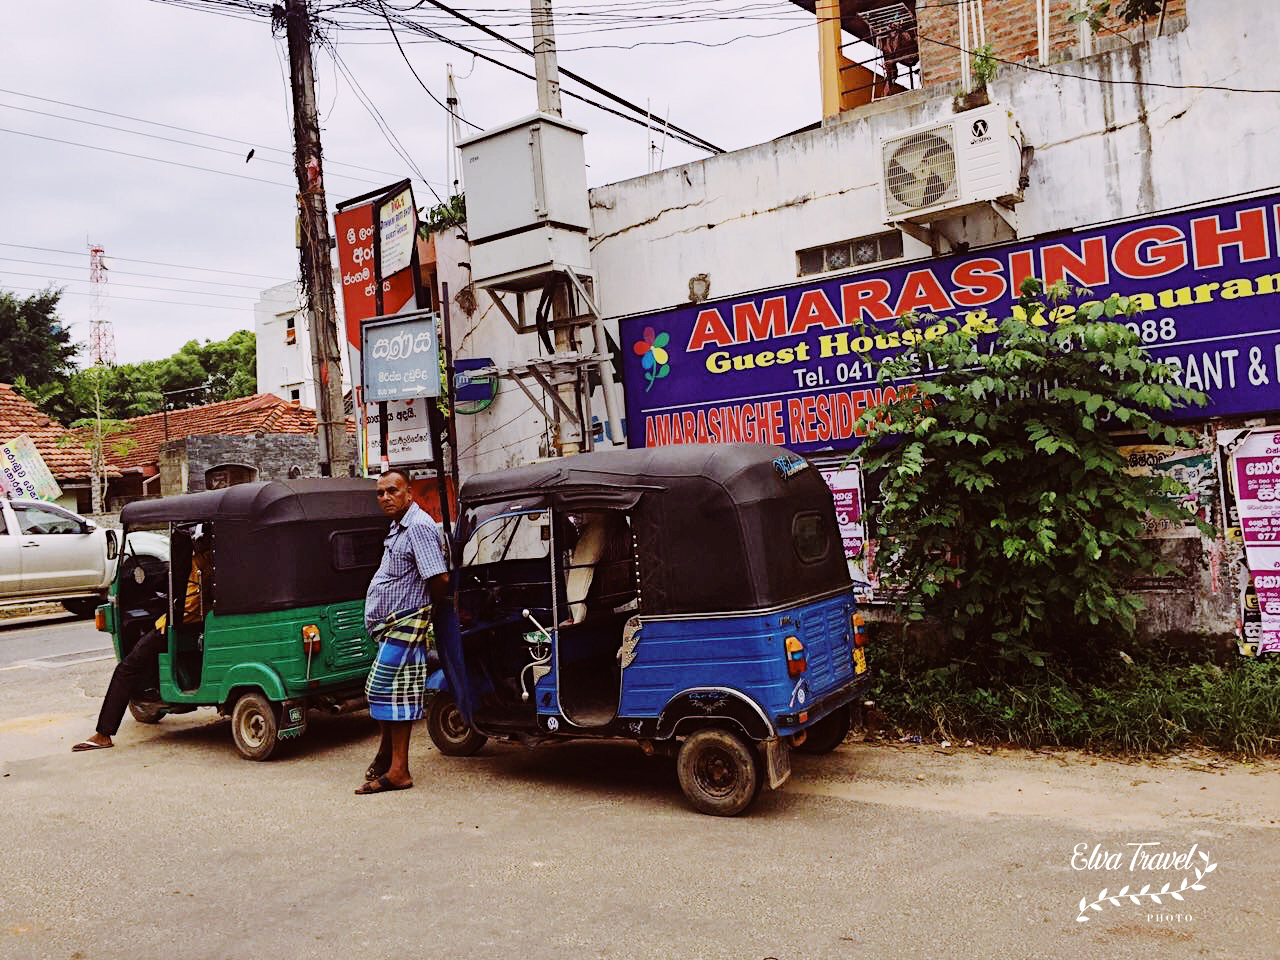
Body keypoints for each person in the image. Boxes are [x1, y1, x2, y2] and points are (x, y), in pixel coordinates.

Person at [72, 527, 213, 752]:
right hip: (204, 620)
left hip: (182, 623)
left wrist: (166, 618)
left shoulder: (195, 563)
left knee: (126, 668)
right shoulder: (214, 560)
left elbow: (188, 605)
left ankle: (103, 733)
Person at [357, 468, 449, 795]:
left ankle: (399, 770)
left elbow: (438, 579)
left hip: (408, 620)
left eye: (392, 491)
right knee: (387, 690)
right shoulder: (399, 526)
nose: (385, 497)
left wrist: (427, 613)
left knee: (386, 689)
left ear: (409, 493)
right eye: (380, 493)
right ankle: (388, 758)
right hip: (395, 624)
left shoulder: (419, 527)